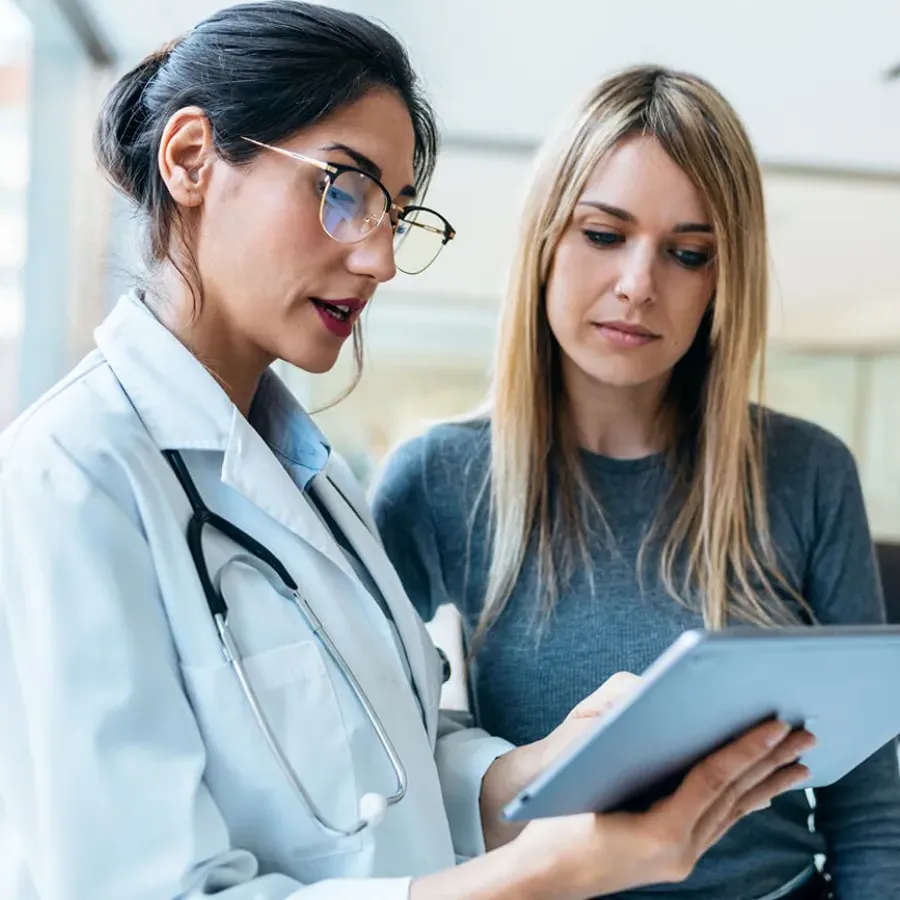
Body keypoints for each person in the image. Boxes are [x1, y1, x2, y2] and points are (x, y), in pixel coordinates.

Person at [0, 7, 816, 899]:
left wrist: (540, 769)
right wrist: (549, 872)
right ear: (192, 159)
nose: (382, 258)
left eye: (392, 212)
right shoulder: (70, 481)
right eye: (343, 190)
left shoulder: (310, 480)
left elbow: (398, 759)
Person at [371, 65, 900, 900]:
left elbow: (870, 812)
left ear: (722, 283)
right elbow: (376, 758)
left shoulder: (806, 473)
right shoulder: (439, 478)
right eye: (604, 234)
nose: (638, 285)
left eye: (688, 254)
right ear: (545, 241)